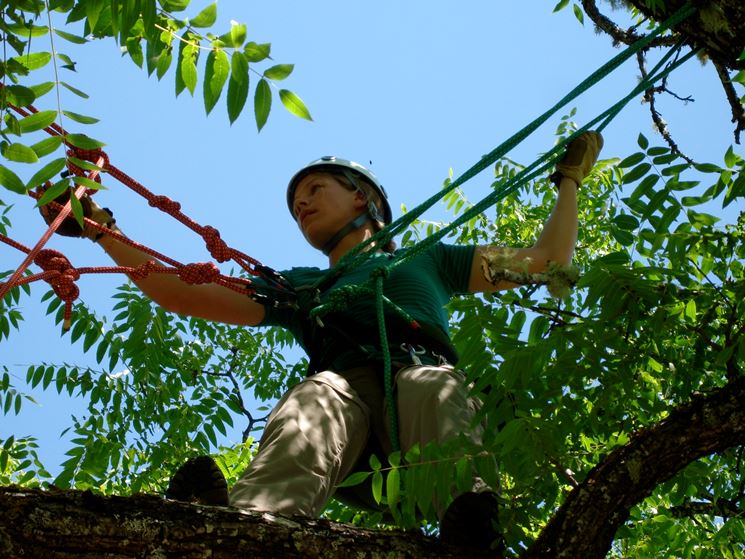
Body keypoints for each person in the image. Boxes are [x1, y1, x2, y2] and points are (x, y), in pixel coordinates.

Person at [40, 132, 603, 552]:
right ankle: (247, 530)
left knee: (435, 386)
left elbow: (547, 263)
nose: (302, 205)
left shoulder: (431, 259)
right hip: (347, 405)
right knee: (312, 399)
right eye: (295, 204)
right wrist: (101, 230)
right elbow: (183, 291)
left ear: (361, 199)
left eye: (315, 189)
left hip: (416, 383)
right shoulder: (300, 286)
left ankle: (473, 530)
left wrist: (570, 182)